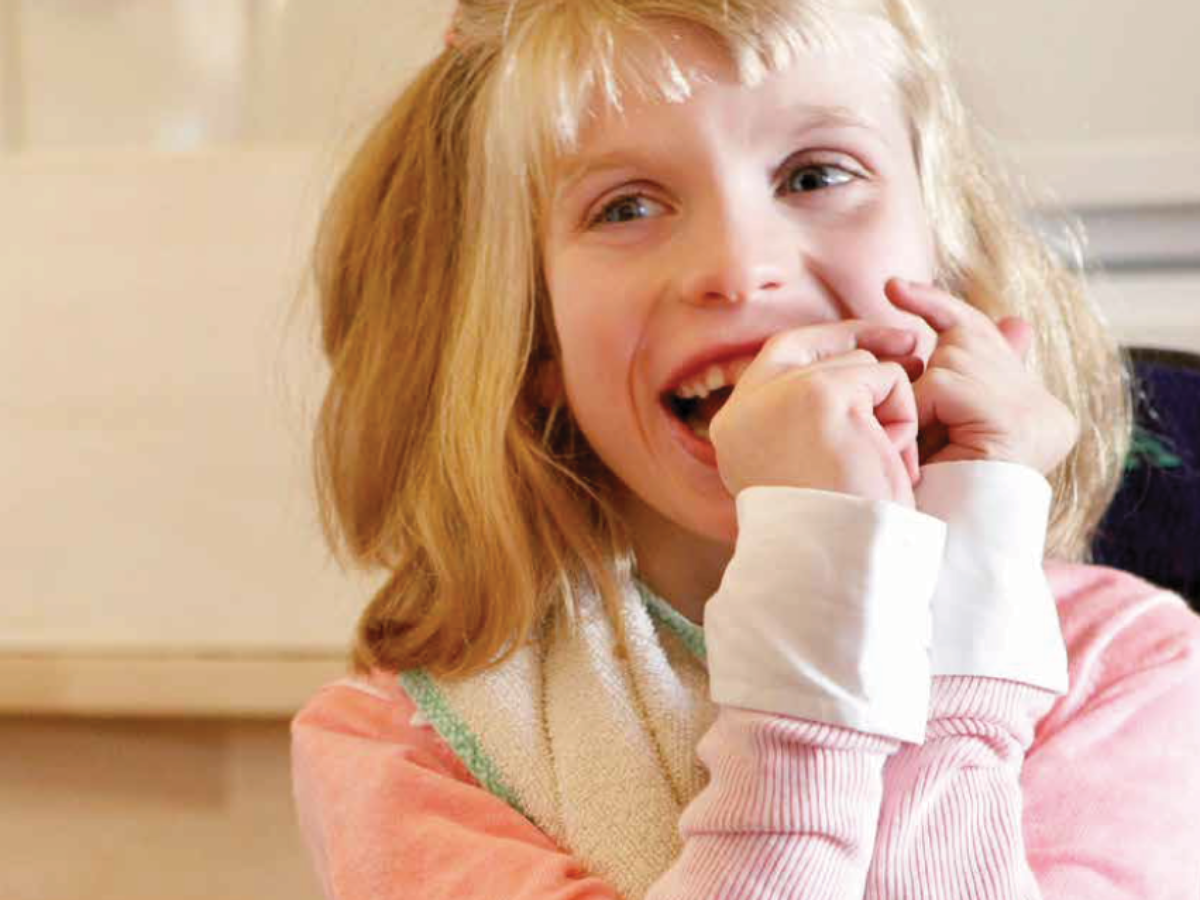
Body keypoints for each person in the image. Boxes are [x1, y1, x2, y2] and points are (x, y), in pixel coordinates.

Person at [290, 1, 1200, 897]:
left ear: (950, 260)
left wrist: (965, 573)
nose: (738, 266)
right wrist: (821, 585)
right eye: (625, 206)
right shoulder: (407, 749)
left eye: (815, 176)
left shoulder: (1129, 667)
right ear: (530, 341)